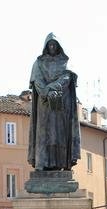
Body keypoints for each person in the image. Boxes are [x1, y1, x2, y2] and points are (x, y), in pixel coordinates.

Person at [27, 34, 81, 172]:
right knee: (43, 133)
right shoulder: (38, 63)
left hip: (61, 103)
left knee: (60, 134)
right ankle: (43, 163)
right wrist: (45, 92)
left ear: (58, 46)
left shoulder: (65, 62)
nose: (52, 47)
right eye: (49, 44)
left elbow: (67, 77)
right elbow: (36, 80)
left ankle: (60, 163)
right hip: (44, 104)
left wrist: (51, 88)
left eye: (54, 44)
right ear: (46, 46)